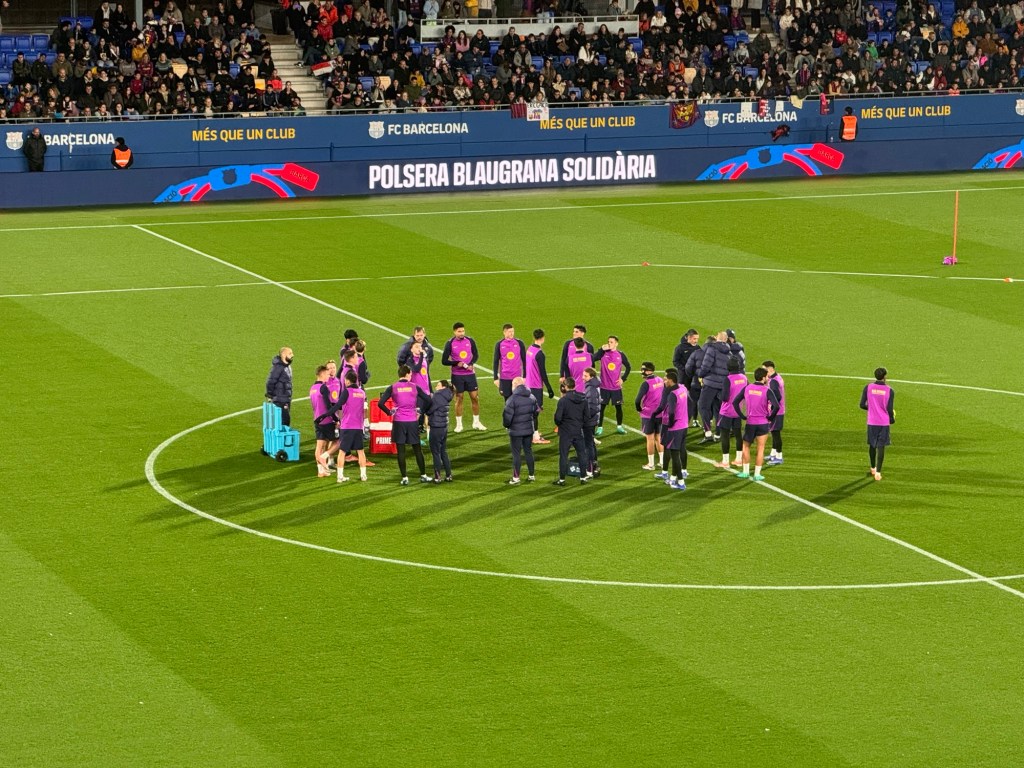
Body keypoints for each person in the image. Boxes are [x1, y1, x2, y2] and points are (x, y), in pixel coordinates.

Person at [378, 365, 432, 485]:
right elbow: (428, 400)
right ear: (408, 374)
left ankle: (404, 478)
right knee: (417, 449)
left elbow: (380, 403)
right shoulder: (414, 387)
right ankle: (423, 475)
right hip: (412, 421)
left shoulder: (393, 387)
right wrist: (420, 411)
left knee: (401, 450)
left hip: (398, 421)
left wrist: (389, 412)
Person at [732, 366, 780, 481]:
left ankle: (745, 472)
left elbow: (735, 402)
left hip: (750, 422)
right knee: (761, 449)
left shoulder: (747, 388)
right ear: (763, 378)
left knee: (746, 447)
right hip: (763, 423)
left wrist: (742, 415)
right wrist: (770, 417)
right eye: (767, 377)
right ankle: (757, 474)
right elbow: (776, 406)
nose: (768, 378)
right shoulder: (767, 390)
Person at [442, 322, 486, 432]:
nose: (462, 333)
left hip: (470, 375)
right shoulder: (450, 343)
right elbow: (444, 361)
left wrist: (471, 364)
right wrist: (456, 363)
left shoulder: (470, 341)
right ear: (454, 332)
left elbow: (476, 355)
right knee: (459, 398)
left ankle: (476, 422)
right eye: (459, 331)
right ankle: (459, 424)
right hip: (457, 376)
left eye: (463, 331)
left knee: (475, 397)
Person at [652, 369, 689, 489]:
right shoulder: (682, 389)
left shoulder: (672, 394)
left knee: (674, 455)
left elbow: (671, 412)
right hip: (684, 426)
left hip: (675, 428)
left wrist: (671, 423)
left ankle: (681, 483)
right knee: (678, 452)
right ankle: (673, 479)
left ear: (671, 380)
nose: (664, 380)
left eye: (666, 378)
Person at [329, 370, 369, 482]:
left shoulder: (346, 392)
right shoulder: (362, 393)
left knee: (342, 451)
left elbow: (338, 405)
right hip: (358, 426)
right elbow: (364, 410)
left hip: (347, 426)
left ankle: (340, 476)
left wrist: (327, 414)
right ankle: (363, 475)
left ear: (347, 380)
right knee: (361, 451)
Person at [552, 377, 590, 486]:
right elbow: (587, 417)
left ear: (565, 387)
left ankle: (562, 480)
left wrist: (561, 425)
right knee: (582, 454)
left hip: (565, 432)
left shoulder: (563, 401)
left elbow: (558, 418)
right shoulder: (583, 399)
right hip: (578, 431)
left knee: (564, 455)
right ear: (575, 386)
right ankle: (583, 477)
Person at [502, 376, 539, 484]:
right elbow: (535, 412)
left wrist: (507, 425)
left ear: (514, 385)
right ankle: (531, 475)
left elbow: (507, 417)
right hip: (528, 429)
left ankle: (516, 478)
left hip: (516, 431)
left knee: (516, 454)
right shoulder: (532, 396)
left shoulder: (512, 399)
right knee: (528, 451)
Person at [697, 331, 732, 444]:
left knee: (703, 406)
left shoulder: (711, 349)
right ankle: (718, 434)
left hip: (710, 384)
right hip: (722, 385)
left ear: (717, 338)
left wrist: (700, 375)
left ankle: (707, 433)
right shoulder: (729, 353)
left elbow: (706, 365)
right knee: (718, 409)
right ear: (726, 340)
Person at [860, 367, 894, 481]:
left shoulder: (868, 387)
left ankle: (873, 467)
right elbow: (889, 409)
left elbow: (862, 405)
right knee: (881, 446)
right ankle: (878, 472)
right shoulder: (889, 390)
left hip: (872, 421)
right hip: (883, 422)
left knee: (872, 445)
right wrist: (892, 419)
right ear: (884, 376)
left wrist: (872, 409)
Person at [713, 357, 748, 469]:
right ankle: (738, 459)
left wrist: (718, 395)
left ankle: (725, 461)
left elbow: (724, 397)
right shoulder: (744, 378)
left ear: (727, 367)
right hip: (738, 411)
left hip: (726, 412)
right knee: (738, 435)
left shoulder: (728, 379)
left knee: (725, 436)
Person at [593, 335, 631, 435]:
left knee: (618, 407)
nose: (609, 343)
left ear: (616, 344)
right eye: (608, 341)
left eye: (612, 342)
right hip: (604, 387)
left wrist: (623, 379)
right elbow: (593, 358)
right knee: (601, 408)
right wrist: (601, 349)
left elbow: (628, 367)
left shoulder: (620, 354)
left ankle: (619, 426)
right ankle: (600, 427)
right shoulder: (603, 353)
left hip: (616, 387)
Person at [525, 328, 556, 444]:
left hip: (528, 383)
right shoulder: (540, 354)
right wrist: (549, 388)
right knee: (535, 411)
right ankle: (536, 437)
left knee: (530, 410)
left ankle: (533, 431)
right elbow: (542, 372)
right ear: (543, 338)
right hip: (536, 386)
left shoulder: (529, 349)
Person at [634, 362, 665, 470]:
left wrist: (639, 409)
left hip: (649, 414)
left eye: (643, 370)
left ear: (648, 371)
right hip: (660, 413)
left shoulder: (646, 384)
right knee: (659, 437)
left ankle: (651, 464)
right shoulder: (661, 380)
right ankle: (662, 462)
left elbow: (637, 400)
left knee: (650, 439)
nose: (642, 372)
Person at [310, 364, 337, 478]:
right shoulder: (323, 387)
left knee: (319, 445)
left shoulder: (312, 388)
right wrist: (336, 419)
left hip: (317, 419)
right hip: (326, 420)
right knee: (338, 441)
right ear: (321, 374)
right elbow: (328, 405)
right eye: (326, 374)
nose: (328, 376)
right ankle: (325, 456)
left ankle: (321, 470)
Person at [426, 379, 455, 483]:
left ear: (443, 387)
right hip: (444, 427)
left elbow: (430, 410)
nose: (436, 387)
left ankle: (438, 476)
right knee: (443, 451)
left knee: (436, 452)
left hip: (436, 427)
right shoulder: (447, 395)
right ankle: (449, 475)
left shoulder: (438, 396)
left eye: (438, 385)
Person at [491, 323, 527, 401]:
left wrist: (524, 376)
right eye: (509, 331)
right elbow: (496, 361)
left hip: (517, 377)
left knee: (518, 399)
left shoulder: (519, 343)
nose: (512, 333)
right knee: (507, 400)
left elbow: (525, 360)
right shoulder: (499, 344)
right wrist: (495, 378)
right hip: (505, 377)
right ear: (504, 332)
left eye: (513, 331)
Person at [763, 360, 786, 465]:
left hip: (776, 411)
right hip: (780, 410)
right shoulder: (778, 377)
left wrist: (771, 407)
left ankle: (779, 457)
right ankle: (773, 454)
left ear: (770, 369)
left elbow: (777, 396)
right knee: (774, 432)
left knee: (776, 434)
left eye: (764, 369)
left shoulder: (773, 381)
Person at [265, 346, 294, 426]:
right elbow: (270, 381)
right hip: (280, 399)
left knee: (286, 421)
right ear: (284, 355)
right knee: (284, 421)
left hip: (286, 398)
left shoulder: (287, 366)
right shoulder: (278, 367)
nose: (292, 355)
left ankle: (283, 437)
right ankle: (282, 437)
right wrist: (270, 395)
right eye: (290, 353)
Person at [581, 367, 602, 477]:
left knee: (588, 444)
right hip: (592, 420)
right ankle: (593, 464)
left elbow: (592, 408)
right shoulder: (593, 386)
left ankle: (589, 468)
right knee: (591, 443)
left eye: (585, 376)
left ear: (591, 377)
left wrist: (583, 417)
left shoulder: (591, 389)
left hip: (589, 421)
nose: (582, 378)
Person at [672, 328, 700, 392]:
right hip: (683, 376)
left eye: (697, 339)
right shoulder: (679, 348)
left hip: (694, 376)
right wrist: (685, 368)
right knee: (682, 394)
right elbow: (675, 362)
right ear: (689, 338)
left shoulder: (697, 347)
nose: (696, 341)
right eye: (694, 339)